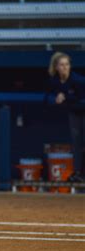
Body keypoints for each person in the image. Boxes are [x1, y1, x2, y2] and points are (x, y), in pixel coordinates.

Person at [47, 52, 85, 182]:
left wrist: (65, 97)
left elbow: (81, 99)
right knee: (76, 143)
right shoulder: (54, 81)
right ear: (56, 67)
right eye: (62, 65)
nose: (65, 67)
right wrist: (56, 97)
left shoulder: (78, 80)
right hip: (74, 112)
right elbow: (47, 97)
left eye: (67, 64)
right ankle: (78, 173)